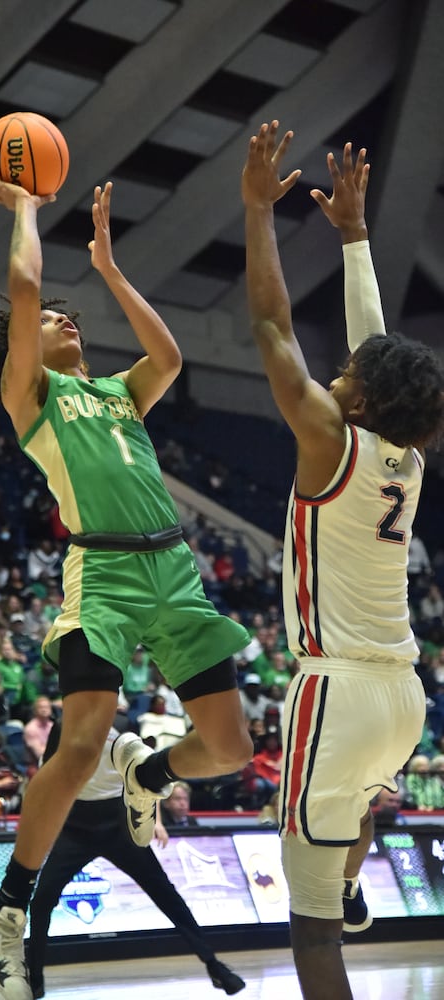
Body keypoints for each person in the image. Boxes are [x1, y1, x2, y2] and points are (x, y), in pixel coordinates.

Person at [0, 162, 252, 1000]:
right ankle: (7, 910)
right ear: (23, 349)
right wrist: (24, 206)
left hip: (174, 569)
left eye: (68, 314)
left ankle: (150, 777)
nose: (64, 318)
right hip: (106, 571)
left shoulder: (120, 394)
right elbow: (22, 288)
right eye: (54, 319)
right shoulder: (33, 396)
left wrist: (113, 272)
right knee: (81, 739)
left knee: (229, 749)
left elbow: (168, 352)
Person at [241, 121, 444, 1000]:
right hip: (402, 696)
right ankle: (352, 871)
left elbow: (267, 321)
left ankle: (337, 889)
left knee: (311, 935)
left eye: (349, 372)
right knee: (356, 810)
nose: (337, 369)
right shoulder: (404, 453)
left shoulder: (327, 440)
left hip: (340, 687)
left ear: (360, 398)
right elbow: (374, 350)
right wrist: (355, 240)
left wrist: (257, 215)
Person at [26, 725, 244, 999]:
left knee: (165, 893)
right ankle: (34, 978)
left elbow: (146, 778)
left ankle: (213, 964)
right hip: (75, 826)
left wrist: (156, 821)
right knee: (42, 900)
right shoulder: (64, 726)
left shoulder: (125, 728)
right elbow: (49, 776)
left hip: (119, 824)